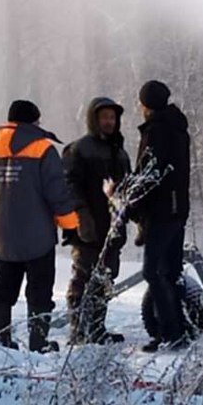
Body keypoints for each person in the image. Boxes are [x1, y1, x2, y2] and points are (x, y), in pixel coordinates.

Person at [0, 99, 79, 353]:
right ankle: (39, 343)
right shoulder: (42, 148)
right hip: (38, 236)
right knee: (39, 291)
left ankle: (2, 342)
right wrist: (70, 226)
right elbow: (57, 192)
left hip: (3, 236)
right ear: (33, 121)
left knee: (1, 290)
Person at [62, 97, 130, 344]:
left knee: (105, 280)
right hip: (87, 227)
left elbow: (128, 188)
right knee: (82, 279)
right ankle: (79, 331)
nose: (109, 122)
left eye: (112, 118)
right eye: (104, 117)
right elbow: (69, 185)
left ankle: (97, 328)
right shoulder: (78, 149)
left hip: (112, 228)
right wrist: (80, 214)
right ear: (94, 119)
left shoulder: (120, 152)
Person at [129, 80, 191, 352]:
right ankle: (179, 328)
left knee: (153, 272)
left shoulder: (156, 132)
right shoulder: (177, 128)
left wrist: (132, 203)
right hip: (178, 208)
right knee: (170, 270)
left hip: (162, 211)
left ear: (145, 106)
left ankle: (171, 332)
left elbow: (149, 175)